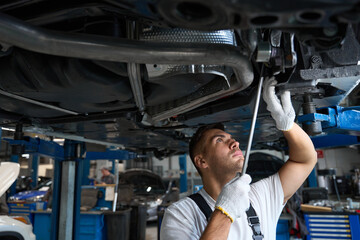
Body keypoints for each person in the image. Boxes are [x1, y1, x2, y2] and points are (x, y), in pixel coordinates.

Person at [160, 77, 317, 239]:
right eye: (219, 140)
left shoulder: (258, 195)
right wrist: (225, 211)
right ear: (202, 161)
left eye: (231, 138)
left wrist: (289, 126)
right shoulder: (181, 214)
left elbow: (304, 160)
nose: (234, 143)